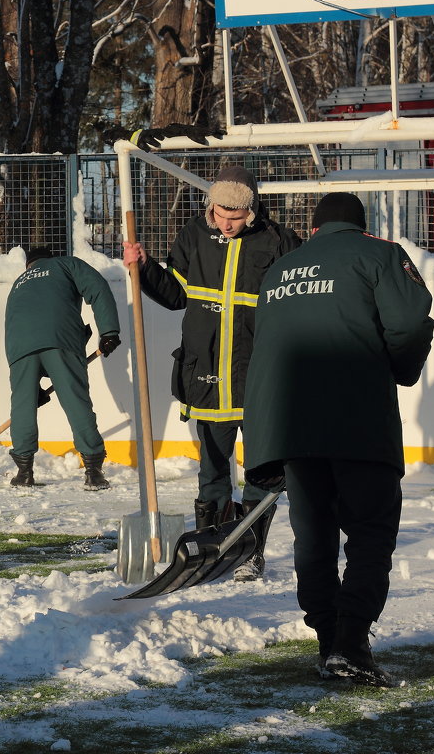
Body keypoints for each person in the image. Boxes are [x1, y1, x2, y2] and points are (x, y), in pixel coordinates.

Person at [243, 192, 434, 687]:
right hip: (357, 421)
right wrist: (401, 368)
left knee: (314, 538)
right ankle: (351, 641)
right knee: (370, 533)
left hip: (292, 426)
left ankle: (328, 641)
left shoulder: (281, 269)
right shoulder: (380, 254)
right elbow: (411, 322)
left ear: (314, 228)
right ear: (361, 225)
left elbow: (263, 343)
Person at [123, 165, 301, 581]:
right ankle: (210, 546)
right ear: (211, 206)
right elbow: (174, 296)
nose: (227, 223)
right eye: (221, 214)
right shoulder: (192, 237)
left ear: (251, 210)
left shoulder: (278, 242)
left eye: (236, 217)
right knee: (212, 468)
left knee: (263, 467)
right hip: (205, 374)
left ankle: (251, 550)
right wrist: (144, 266)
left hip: (259, 377)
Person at [3, 246, 121, 489]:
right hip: (60, 339)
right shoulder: (65, 264)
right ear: (49, 258)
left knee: (23, 406)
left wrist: (28, 382)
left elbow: (12, 323)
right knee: (75, 400)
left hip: (19, 348)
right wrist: (109, 331)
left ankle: (24, 473)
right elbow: (97, 287)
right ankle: (93, 472)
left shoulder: (18, 283)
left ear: (29, 265)